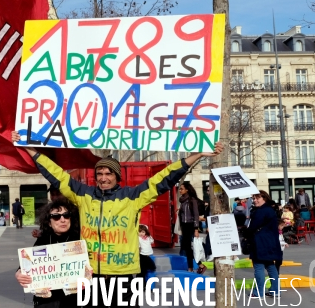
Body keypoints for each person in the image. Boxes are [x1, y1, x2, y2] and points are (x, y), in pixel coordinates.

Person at [12, 130, 223, 308]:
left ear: (117, 177)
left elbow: (166, 177)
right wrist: (29, 149)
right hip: (90, 276)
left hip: (124, 278)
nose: (103, 177)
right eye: (99, 173)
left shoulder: (133, 196)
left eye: (108, 173)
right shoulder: (83, 194)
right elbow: (55, 173)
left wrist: (198, 155)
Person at [15, 197, 82, 307]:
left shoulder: (79, 239)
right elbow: (29, 263)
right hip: (47, 300)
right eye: (56, 216)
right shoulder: (44, 239)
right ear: (49, 222)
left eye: (66, 215)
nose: (62, 219)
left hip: (74, 299)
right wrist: (19, 273)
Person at [248, 191, 282, 298]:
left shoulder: (261, 211)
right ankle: (275, 290)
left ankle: (258, 292)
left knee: (258, 266)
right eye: (254, 199)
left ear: (264, 198)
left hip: (260, 242)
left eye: (257, 198)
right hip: (270, 242)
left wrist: (245, 233)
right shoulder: (270, 209)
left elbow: (253, 227)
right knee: (270, 266)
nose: (255, 200)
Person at [178, 183, 206, 273]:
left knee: (189, 247)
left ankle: (195, 266)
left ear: (187, 190)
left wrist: (196, 229)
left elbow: (195, 214)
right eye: (180, 189)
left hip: (191, 225)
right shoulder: (182, 201)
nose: (180, 190)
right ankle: (195, 266)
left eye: (182, 189)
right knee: (187, 248)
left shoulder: (192, 200)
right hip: (184, 226)